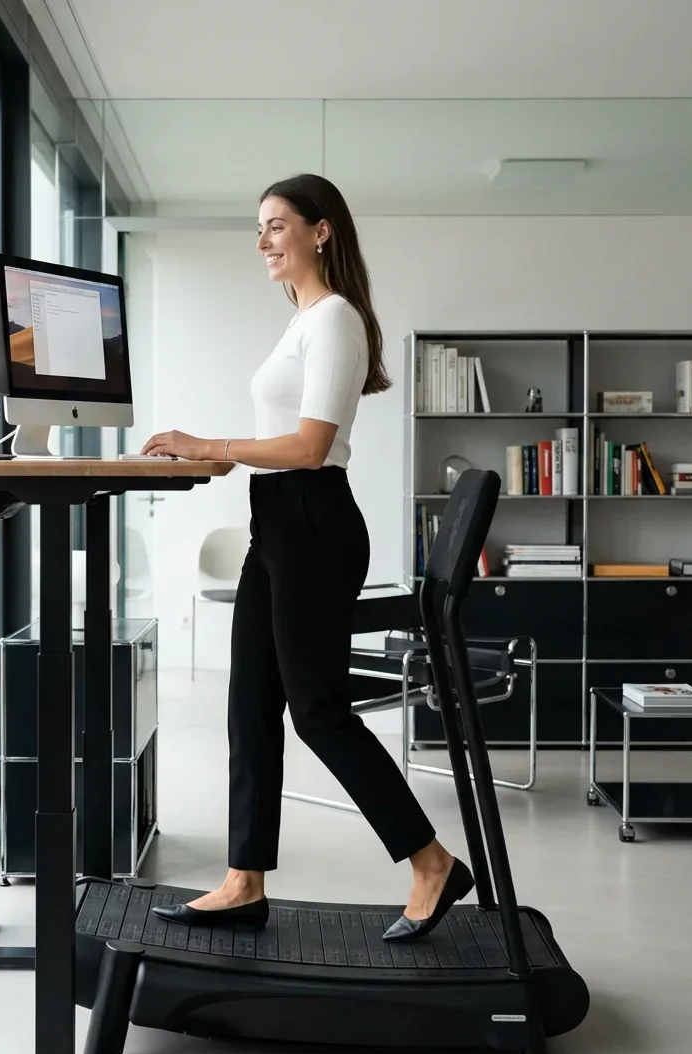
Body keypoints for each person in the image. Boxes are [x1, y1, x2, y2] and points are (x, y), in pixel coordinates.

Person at [140, 173, 473, 942]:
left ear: (320, 231)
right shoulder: (301, 322)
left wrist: (210, 445)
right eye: (258, 228)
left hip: (314, 524)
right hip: (277, 523)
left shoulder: (335, 320)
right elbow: (282, 439)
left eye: (276, 225)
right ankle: (243, 880)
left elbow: (311, 446)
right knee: (248, 704)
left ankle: (431, 863)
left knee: (317, 711)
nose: (263, 241)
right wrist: (217, 457)